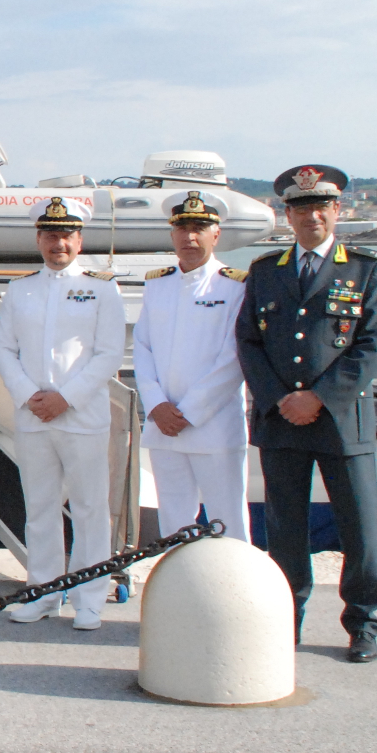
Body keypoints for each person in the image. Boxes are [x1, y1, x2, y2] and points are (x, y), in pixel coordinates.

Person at [236, 164, 377, 662]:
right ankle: (286, 619)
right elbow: (249, 341)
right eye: (301, 208)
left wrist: (319, 397)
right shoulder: (266, 272)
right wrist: (279, 398)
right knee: (285, 529)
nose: (312, 217)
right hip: (280, 419)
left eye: (321, 207)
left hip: (342, 422)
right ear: (288, 214)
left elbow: (370, 347)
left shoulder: (366, 269)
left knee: (360, 529)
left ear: (337, 211)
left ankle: (363, 622)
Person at [0, 196, 126, 629]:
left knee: (90, 509)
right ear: (39, 238)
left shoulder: (103, 287)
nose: (59, 243)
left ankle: (89, 598)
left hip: (82, 415)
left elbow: (109, 354)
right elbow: (5, 350)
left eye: (67, 234)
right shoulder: (21, 289)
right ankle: (42, 592)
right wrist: (31, 395)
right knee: (41, 507)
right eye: (51, 235)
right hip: (34, 416)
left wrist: (65, 397)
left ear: (79, 239)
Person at [137, 191, 252, 543]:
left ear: (216, 234)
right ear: (172, 234)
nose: (190, 236)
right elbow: (142, 347)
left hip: (214, 427)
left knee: (227, 520)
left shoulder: (235, 285)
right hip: (164, 426)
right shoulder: (157, 284)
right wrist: (157, 405)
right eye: (182, 228)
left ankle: (235, 597)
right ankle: (178, 592)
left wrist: (188, 412)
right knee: (173, 522)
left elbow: (235, 357)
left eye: (199, 228)